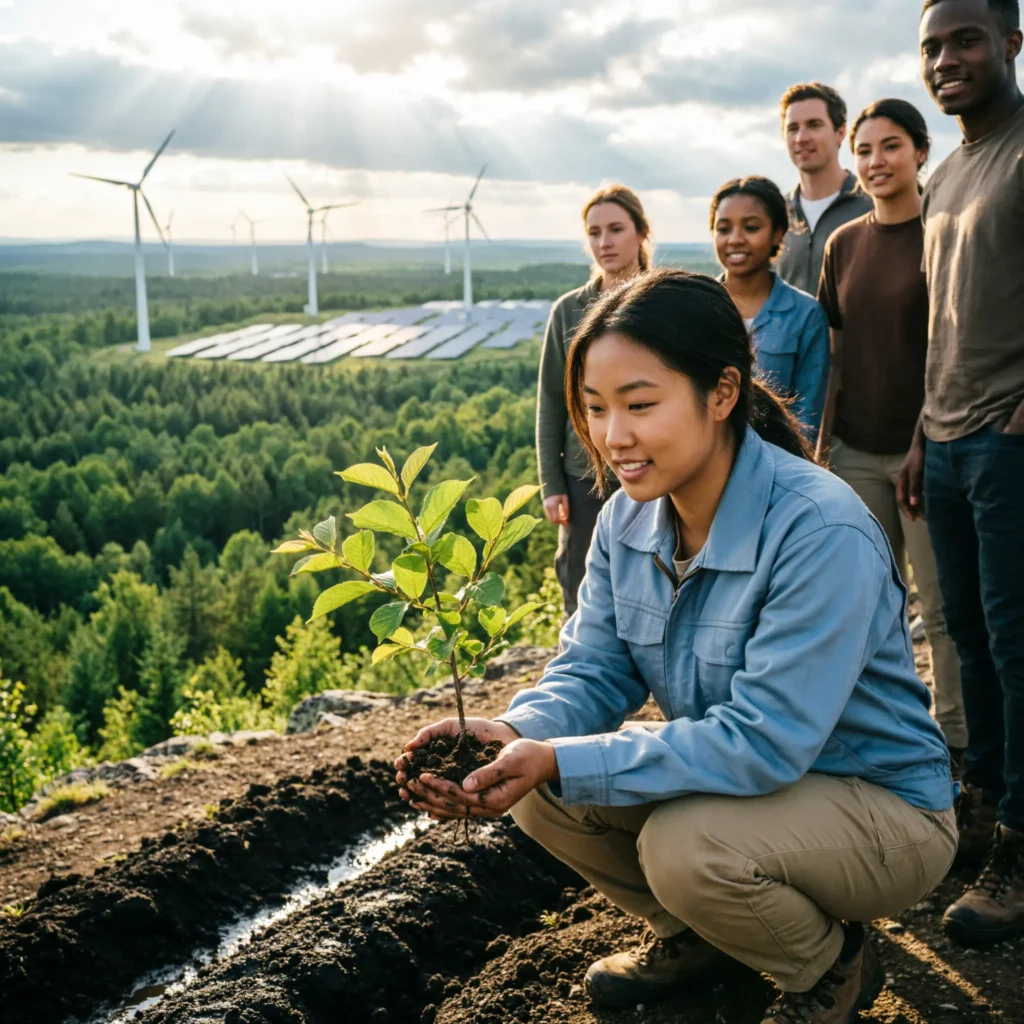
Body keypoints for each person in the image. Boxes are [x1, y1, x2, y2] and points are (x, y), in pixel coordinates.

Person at [397, 270, 955, 1024]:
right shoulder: (629, 520)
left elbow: (765, 742)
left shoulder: (818, 530)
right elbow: (594, 666)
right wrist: (516, 734)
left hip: (878, 808)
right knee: (544, 790)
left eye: (639, 404)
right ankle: (698, 939)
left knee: (682, 845)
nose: (611, 437)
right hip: (753, 792)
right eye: (593, 409)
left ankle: (829, 968)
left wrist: (563, 755)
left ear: (722, 393)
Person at [899, 0, 1024, 947]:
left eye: (965, 40)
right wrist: (916, 434)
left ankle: (1020, 846)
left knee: (1020, 647)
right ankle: (981, 803)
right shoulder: (945, 174)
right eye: (931, 47)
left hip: (1008, 440)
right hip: (941, 443)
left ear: (1014, 42)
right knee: (966, 637)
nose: (945, 60)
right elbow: (941, 321)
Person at [816, 99, 967, 768]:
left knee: (941, 609)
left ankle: (960, 743)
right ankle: (892, 740)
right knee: (871, 608)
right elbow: (836, 357)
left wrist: (924, 442)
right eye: (865, 149)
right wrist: (821, 452)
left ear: (920, 152)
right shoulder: (843, 244)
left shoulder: (946, 231)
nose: (876, 162)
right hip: (852, 452)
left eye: (891, 147)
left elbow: (954, 351)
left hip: (929, 452)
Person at [536, 183, 650, 619]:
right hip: (585, 475)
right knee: (581, 588)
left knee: (649, 580)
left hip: (651, 466)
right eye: (595, 232)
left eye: (616, 229)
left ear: (641, 233)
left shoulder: (662, 301)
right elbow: (550, 400)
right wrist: (552, 483)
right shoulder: (568, 310)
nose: (604, 242)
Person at [711, 175, 829, 438]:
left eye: (751, 228)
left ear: (778, 234)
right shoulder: (696, 307)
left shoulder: (806, 315)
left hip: (778, 464)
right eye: (724, 229)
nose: (735, 239)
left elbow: (807, 417)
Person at [776, 82, 873, 295]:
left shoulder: (872, 206)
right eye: (793, 128)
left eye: (814, 125)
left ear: (840, 132)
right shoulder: (774, 214)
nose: (801, 138)